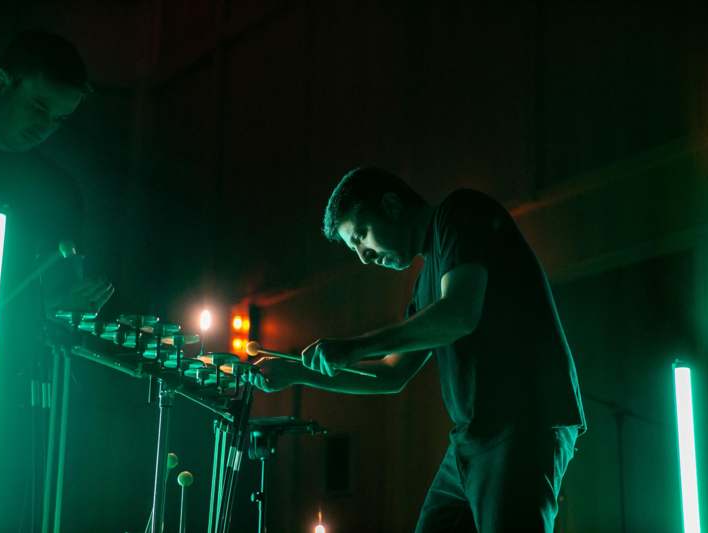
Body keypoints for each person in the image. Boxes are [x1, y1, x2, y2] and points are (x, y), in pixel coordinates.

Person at [250, 166, 586, 532]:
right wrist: (298, 373)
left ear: (392, 205)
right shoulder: (426, 283)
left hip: (522, 422)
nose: (365, 256)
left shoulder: (460, 212)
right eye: (355, 248)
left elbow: (459, 314)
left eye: (362, 235)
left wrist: (356, 346)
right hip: (471, 439)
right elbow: (391, 375)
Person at [0, 30, 112, 530]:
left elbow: (53, 301)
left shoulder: (56, 193)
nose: (46, 127)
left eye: (60, 119)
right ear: (2, 82)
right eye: (39, 106)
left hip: (4, 393)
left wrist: (67, 307)